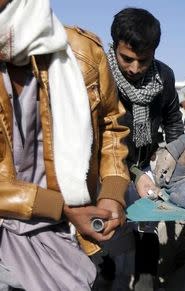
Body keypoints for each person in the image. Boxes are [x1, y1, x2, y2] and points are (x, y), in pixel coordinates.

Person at [0, 0, 130, 290]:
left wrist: (112, 191)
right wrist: (60, 207)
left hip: (69, 235)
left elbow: (111, 126)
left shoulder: (82, 53)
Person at [106, 7, 184, 288]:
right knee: (110, 235)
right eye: (127, 59)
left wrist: (172, 163)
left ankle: (146, 279)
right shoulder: (100, 75)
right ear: (114, 45)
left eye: (143, 60)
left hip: (146, 168)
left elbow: (174, 122)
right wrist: (134, 175)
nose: (135, 68)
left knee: (146, 227)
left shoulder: (164, 77)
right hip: (106, 170)